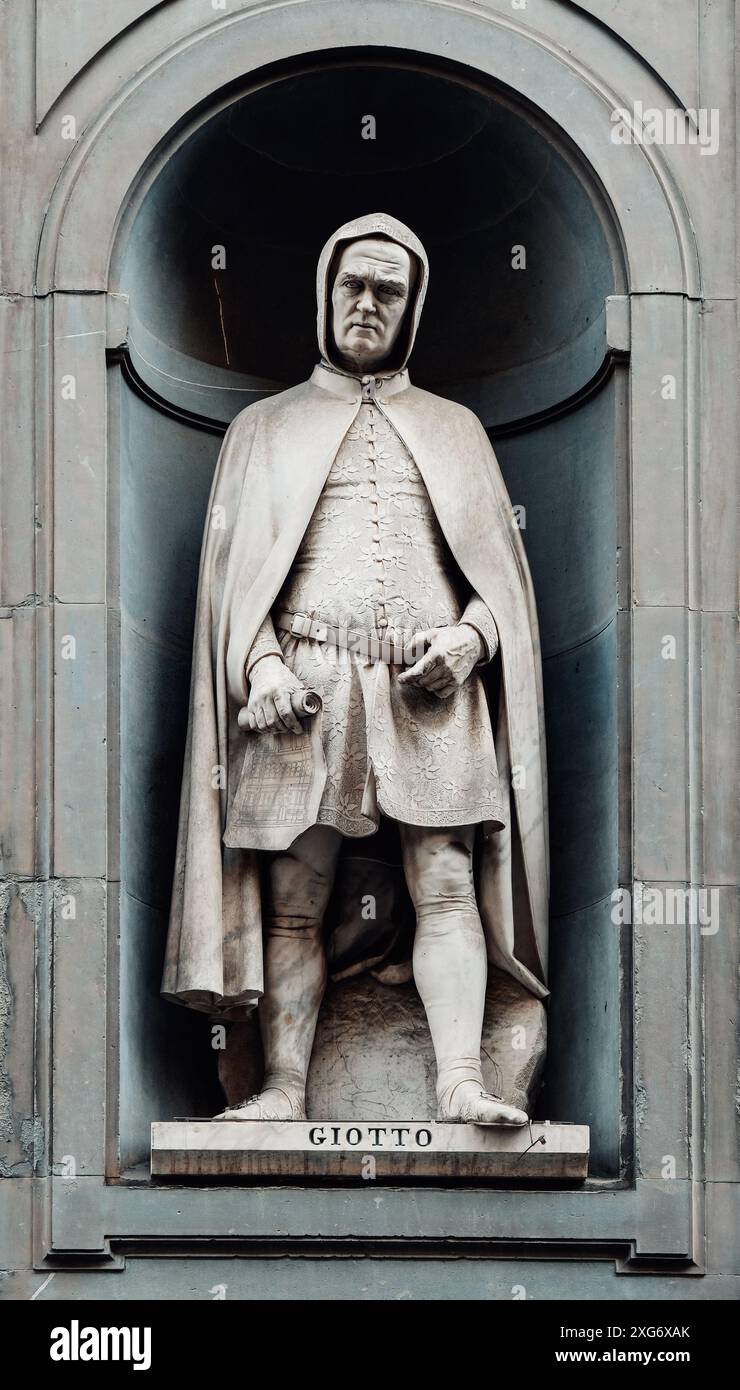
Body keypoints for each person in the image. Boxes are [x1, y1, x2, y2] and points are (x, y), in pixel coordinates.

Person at [162, 213, 549, 1127]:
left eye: (389, 290)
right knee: (295, 894)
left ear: (412, 309)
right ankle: (285, 1090)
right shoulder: (264, 427)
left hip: (431, 687)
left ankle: (459, 1081)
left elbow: (504, 583)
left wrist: (471, 641)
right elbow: (232, 583)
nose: (367, 303)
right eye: (354, 285)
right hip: (303, 684)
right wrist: (256, 668)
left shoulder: (456, 429)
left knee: (446, 877)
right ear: (325, 292)